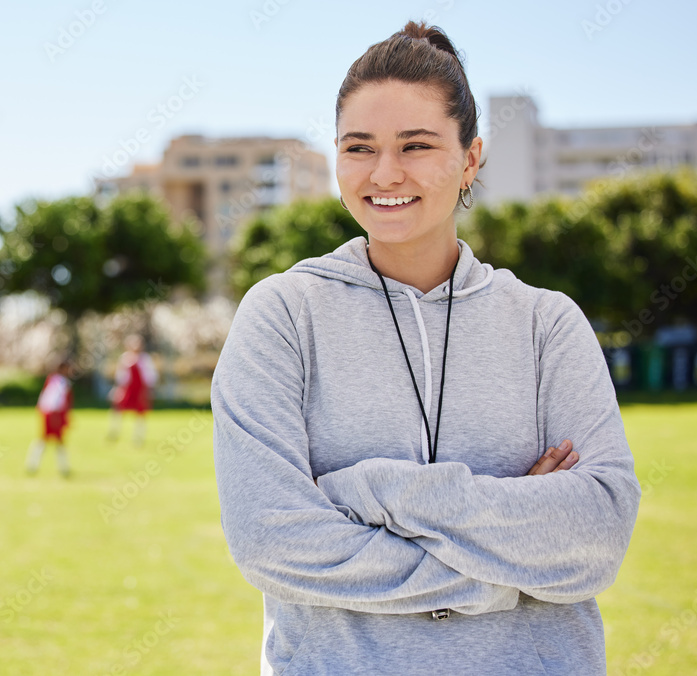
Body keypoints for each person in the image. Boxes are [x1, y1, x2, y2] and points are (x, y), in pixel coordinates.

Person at [212, 22, 640, 676]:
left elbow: (598, 535)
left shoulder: (547, 324)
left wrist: (371, 491)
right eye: (360, 147)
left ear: (471, 158)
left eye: (416, 145)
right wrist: (502, 576)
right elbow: (272, 540)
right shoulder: (283, 316)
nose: (386, 173)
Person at [107, 334, 157, 445]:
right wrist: (118, 389)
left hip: (140, 391)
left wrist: (149, 390)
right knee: (118, 410)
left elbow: (151, 375)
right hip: (127, 389)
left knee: (140, 413)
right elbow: (121, 375)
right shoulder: (125, 358)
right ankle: (115, 432)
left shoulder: (145, 359)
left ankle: (139, 436)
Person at [26, 361, 74, 477]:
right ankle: (34, 464)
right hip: (54, 413)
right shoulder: (60, 382)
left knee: (51, 440)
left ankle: (34, 464)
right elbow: (54, 400)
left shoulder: (53, 380)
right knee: (50, 440)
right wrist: (55, 415)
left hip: (51, 413)